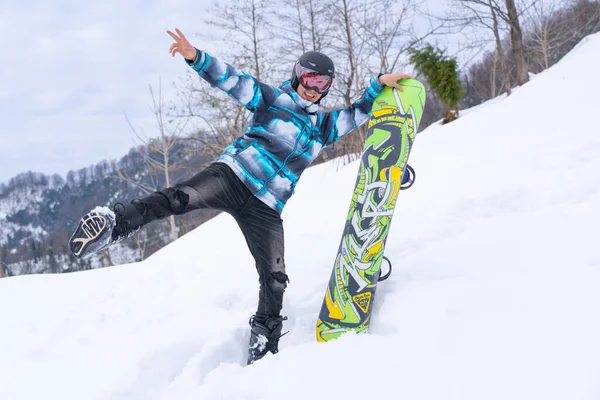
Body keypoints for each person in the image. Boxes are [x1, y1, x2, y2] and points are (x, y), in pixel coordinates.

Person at [69, 28, 411, 365]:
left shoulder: (323, 127)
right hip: (233, 176)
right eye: (308, 78)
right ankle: (114, 224)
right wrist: (196, 58)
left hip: (267, 207)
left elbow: (356, 114)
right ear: (296, 76)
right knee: (180, 198)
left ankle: (264, 344)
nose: (313, 88)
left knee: (274, 278)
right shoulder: (274, 100)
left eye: (322, 84)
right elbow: (235, 81)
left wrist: (377, 85)